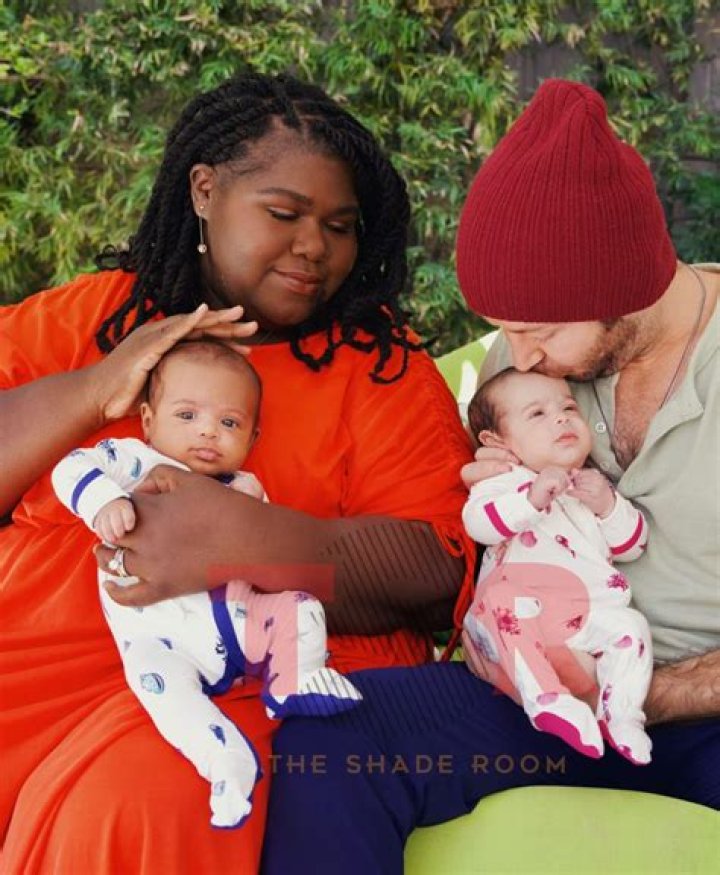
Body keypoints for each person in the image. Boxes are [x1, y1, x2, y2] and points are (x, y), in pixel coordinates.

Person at [0, 73, 475, 873]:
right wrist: (95, 387)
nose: (314, 247)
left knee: (133, 801)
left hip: (243, 682)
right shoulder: (95, 318)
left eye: (341, 226)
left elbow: (436, 570)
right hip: (34, 663)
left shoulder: (380, 369)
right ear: (205, 189)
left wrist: (243, 542)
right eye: (284, 214)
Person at [261, 79, 719, 875]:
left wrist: (648, 692)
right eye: (505, 329)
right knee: (328, 737)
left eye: (536, 329)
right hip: (535, 694)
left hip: (693, 705)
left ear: (624, 283)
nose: (519, 354)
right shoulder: (521, 365)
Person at [51, 339, 363, 829]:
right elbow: (69, 467)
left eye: (229, 423)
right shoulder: (137, 462)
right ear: (150, 421)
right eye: (187, 415)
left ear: (252, 439)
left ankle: (294, 679)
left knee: (301, 607)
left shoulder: (246, 489)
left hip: (236, 626)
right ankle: (226, 766)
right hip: (158, 641)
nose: (207, 433)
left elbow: (268, 562)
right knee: (168, 702)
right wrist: (103, 502)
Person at [463, 368, 652, 764]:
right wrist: (530, 500)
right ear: (498, 442)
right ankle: (548, 701)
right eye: (538, 414)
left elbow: (633, 545)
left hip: (582, 620)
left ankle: (621, 716)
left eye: (568, 407)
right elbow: (479, 523)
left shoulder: (589, 485)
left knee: (630, 627)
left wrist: (609, 506)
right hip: (516, 622)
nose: (562, 417)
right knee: (503, 598)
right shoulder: (504, 482)